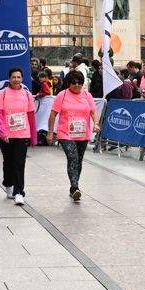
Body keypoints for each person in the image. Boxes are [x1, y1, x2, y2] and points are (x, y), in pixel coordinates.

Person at [47, 69, 98, 202]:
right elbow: (53, 114)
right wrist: (50, 132)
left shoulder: (87, 95)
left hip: (83, 133)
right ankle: (74, 187)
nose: (77, 85)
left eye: (80, 83)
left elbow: (93, 112)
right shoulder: (62, 95)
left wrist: (96, 124)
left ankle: (74, 185)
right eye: (74, 83)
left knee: (79, 160)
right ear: (68, 83)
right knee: (73, 157)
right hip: (65, 133)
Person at [0, 66, 35, 204]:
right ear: (9, 79)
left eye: (18, 77)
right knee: (8, 162)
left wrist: (33, 136)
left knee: (19, 163)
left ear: (22, 78)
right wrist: (3, 132)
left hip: (22, 133)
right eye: (13, 77)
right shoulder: (3, 93)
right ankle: (8, 183)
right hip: (6, 135)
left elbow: (30, 115)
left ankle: (19, 192)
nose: (16, 79)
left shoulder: (27, 94)